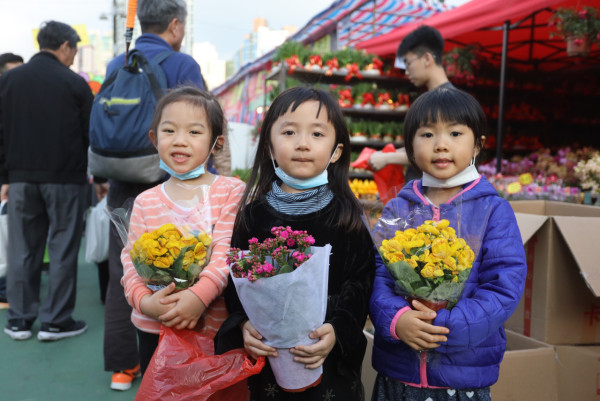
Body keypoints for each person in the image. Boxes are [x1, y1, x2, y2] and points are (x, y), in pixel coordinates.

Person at [215, 87, 376, 400]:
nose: (303, 143)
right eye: (289, 131)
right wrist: (243, 325)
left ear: (337, 151)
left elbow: (361, 281)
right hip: (269, 358)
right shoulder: (253, 215)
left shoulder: (346, 216)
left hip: (326, 356)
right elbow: (235, 281)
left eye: (317, 134)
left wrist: (338, 330)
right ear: (270, 147)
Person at [369, 87, 527, 401]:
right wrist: (398, 321)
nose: (441, 144)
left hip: (462, 378)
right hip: (398, 372)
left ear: (478, 145)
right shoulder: (398, 209)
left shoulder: (493, 210)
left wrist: (444, 327)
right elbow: (379, 277)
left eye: (455, 133)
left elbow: (503, 286)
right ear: (410, 147)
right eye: (427, 134)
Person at [100, 0, 208, 391]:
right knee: (183, 268)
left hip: (121, 180)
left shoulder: (117, 63)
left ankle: (123, 366)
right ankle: (172, 361)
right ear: (176, 26)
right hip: (171, 183)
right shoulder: (183, 65)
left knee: (125, 272)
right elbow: (202, 123)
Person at [120, 86, 245, 378]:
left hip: (213, 327)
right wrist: (144, 302)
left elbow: (226, 254)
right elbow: (130, 261)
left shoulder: (230, 191)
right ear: (154, 138)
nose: (180, 141)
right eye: (169, 130)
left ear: (217, 143)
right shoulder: (146, 201)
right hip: (154, 326)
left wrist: (198, 297)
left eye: (194, 132)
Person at [0, 21, 94, 341]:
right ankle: (55, 321)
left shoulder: (9, 80)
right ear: (65, 46)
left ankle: (19, 320)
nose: (74, 56)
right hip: (66, 178)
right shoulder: (75, 84)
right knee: (63, 248)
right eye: (75, 50)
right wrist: (100, 176)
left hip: (21, 178)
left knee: (22, 249)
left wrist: (5, 177)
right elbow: (88, 135)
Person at [369, 25, 455, 182]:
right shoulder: (434, 97)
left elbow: (434, 152)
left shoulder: (446, 99)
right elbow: (420, 145)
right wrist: (387, 154)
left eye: (408, 63)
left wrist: (388, 158)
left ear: (427, 59)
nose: (406, 71)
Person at [0, 52, 24, 310]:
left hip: (11, 178)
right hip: (8, 177)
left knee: (10, 239)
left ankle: (8, 292)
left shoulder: (15, 100)